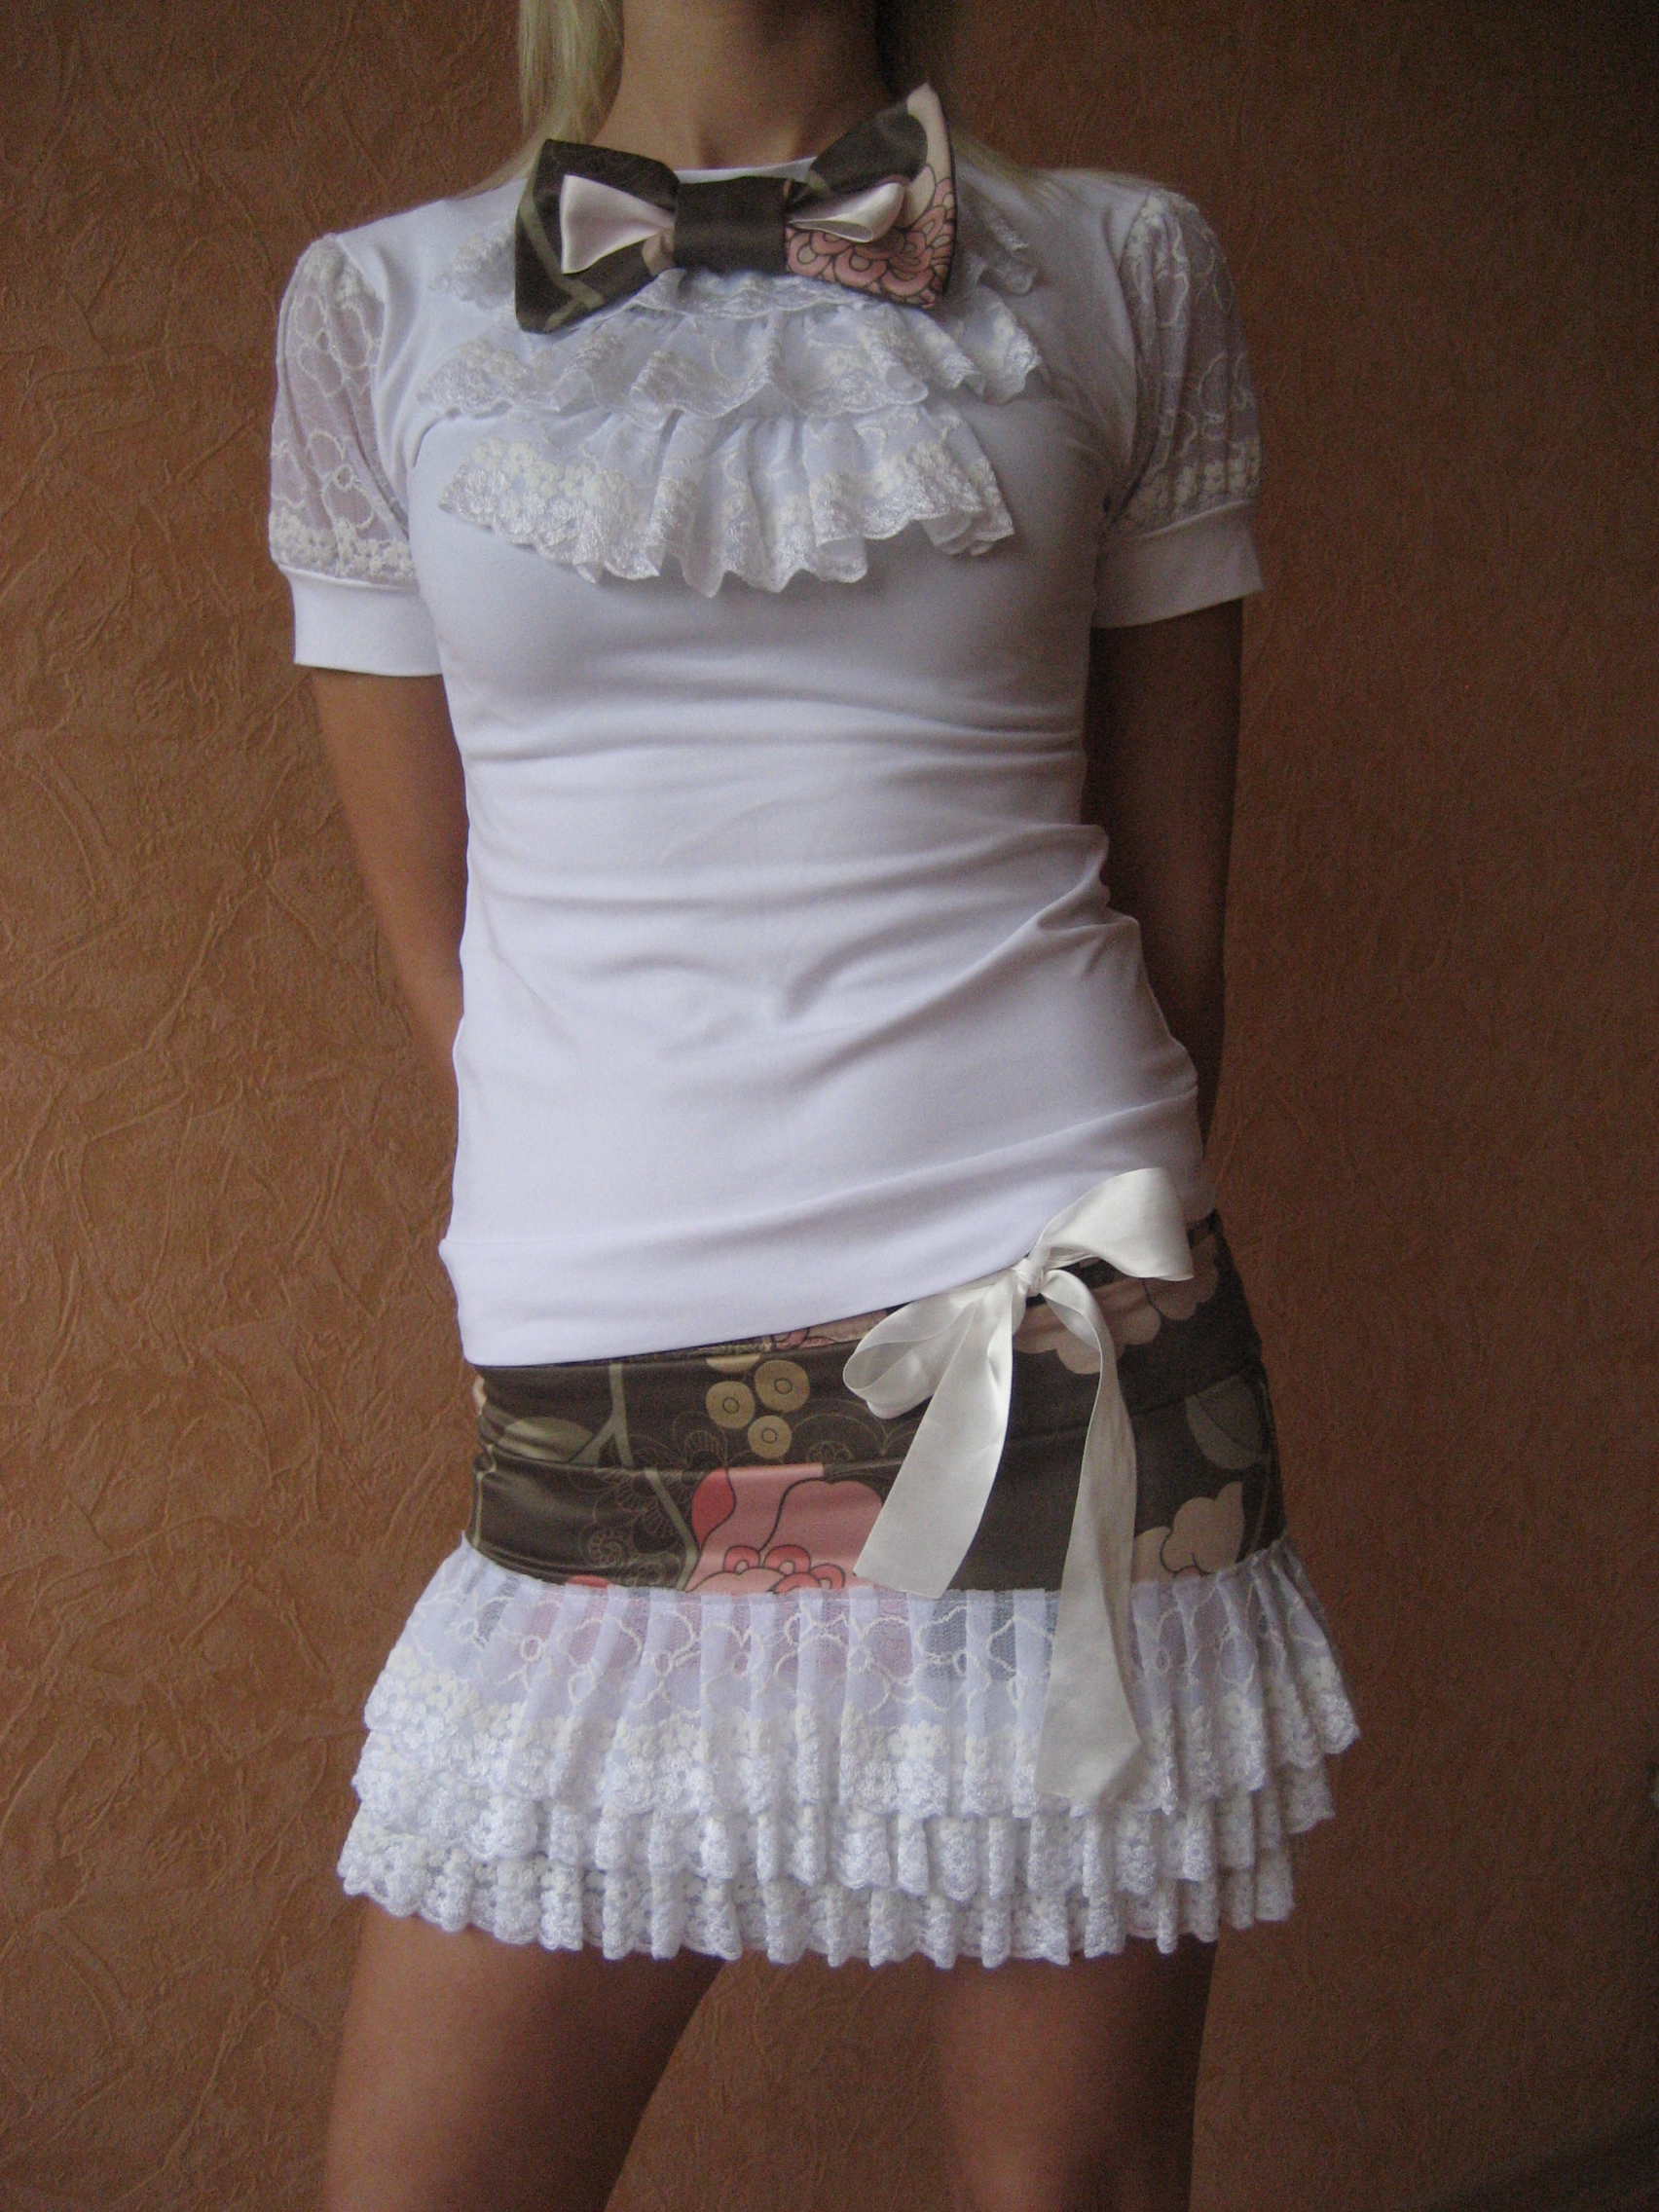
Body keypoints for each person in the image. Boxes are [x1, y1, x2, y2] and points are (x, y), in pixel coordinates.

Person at [268, 1, 1359, 2204]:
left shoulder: (1121, 268)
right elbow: (440, 948)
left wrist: (1102, 1249)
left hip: (1056, 1321)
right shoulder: (377, 310)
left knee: (1064, 2184)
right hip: (608, 1357)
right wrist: (602, 1220)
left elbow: (1181, 920)